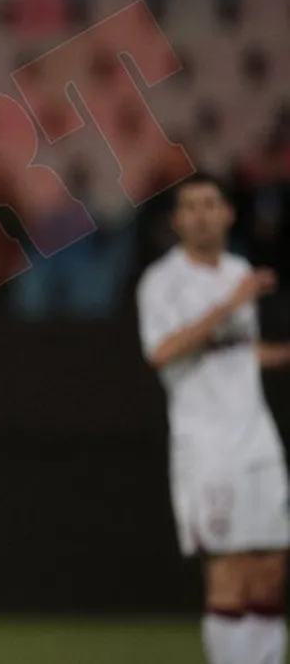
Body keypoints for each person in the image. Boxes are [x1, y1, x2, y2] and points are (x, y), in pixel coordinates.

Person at [136, 173, 290, 664]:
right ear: (177, 221)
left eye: (210, 204)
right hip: (207, 445)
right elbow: (162, 352)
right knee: (228, 572)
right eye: (191, 207)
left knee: (270, 570)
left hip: (257, 438)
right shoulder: (162, 282)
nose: (201, 215)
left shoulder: (237, 269)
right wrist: (229, 305)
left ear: (228, 214)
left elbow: (241, 352)